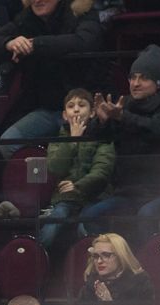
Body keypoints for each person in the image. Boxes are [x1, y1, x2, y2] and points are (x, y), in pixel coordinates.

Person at [78, 45, 160, 239]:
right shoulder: (124, 107)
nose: (135, 83)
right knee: (89, 216)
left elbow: (157, 130)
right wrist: (102, 121)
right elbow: (94, 138)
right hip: (127, 191)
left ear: (158, 83)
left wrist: (122, 117)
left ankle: (152, 265)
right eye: (132, 77)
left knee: (146, 216)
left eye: (143, 78)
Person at [0, 0, 104, 159]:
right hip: (46, 108)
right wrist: (9, 43)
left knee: (89, 152)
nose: (36, 0)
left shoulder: (81, 12)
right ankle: (44, 179)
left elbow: (84, 42)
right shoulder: (27, 17)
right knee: (8, 143)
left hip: (83, 105)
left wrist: (35, 44)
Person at [34, 89, 117, 256]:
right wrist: (72, 141)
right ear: (65, 114)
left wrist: (78, 185)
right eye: (71, 106)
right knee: (54, 221)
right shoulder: (57, 141)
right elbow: (55, 167)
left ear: (92, 112)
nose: (77, 109)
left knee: (84, 226)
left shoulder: (102, 138)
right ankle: (37, 261)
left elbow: (102, 171)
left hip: (94, 196)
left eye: (82, 105)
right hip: (65, 199)